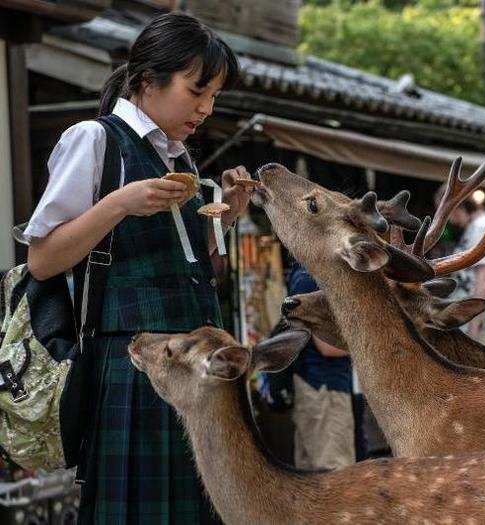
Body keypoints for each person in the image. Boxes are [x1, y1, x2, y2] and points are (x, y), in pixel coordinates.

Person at [23, 13, 250, 524]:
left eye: (214, 96)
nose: (207, 109)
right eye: (198, 91)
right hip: (133, 363)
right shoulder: (94, 139)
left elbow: (179, 256)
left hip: (195, 363)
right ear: (148, 81)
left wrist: (229, 212)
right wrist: (121, 202)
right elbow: (42, 260)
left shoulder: (179, 157)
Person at [286, 262, 356, 470]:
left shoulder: (304, 275)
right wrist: (371, 347)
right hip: (325, 391)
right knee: (337, 477)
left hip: (316, 388)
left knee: (313, 477)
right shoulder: (311, 280)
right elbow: (328, 347)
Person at [434, 187, 485, 350]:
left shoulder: (481, 228)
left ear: (456, 206)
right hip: (482, 327)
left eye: (445, 214)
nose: (447, 220)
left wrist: (473, 329)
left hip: (484, 329)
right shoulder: (477, 228)